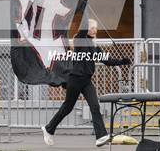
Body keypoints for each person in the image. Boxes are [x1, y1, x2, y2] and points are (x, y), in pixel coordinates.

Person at [41, 18, 130, 148]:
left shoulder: (94, 46)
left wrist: (122, 62)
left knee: (95, 106)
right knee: (67, 107)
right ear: (86, 28)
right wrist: (85, 1)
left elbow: (107, 60)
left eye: (96, 27)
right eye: (92, 27)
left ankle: (101, 137)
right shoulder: (79, 39)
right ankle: (49, 129)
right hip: (75, 79)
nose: (95, 29)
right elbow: (83, 24)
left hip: (86, 81)